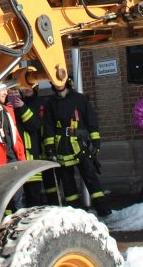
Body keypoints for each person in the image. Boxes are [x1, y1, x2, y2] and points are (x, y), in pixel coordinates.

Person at [44, 78, 111, 216]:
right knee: (67, 180)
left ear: (66, 81)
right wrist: (50, 147)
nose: (58, 84)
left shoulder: (80, 99)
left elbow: (91, 120)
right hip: (62, 145)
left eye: (61, 81)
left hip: (80, 143)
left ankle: (102, 208)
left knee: (90, 175)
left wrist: (96, 141)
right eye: (55, 82)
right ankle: (75, 210)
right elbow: (48, 126)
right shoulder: (50, 103)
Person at [12, 84, 60, 205]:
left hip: (39, 151)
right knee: (24, 191)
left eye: (29, 86)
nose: (27, 89)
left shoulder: (41, 104)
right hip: (23, 154)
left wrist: (23, 107)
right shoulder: (12, 106)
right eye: (24, 87)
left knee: (44, 187)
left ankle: (52, 208)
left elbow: (36, 125)